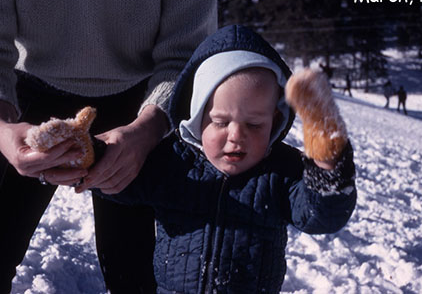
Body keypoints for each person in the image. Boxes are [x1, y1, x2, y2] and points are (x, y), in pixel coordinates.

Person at [0, 0, 217, 293]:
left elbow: (186, 56)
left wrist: (148, 130)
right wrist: (1, 128)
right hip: (23, 94)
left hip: (142, 105)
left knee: (137, 272)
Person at [91, 25, 357, 293]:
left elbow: (321, 216)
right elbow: (119, 178)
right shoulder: (172, 162)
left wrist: (328, 164)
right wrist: (88, 156)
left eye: (254, 125)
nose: (236, 136)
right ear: (197, 116)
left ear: (274, 122)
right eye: (220, 122)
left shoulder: (283, 171)